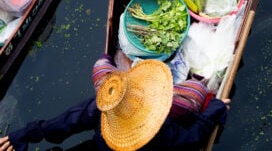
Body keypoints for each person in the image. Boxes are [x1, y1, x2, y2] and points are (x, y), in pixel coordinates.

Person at [0, 53, 230, 151]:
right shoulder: (162, 130)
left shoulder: (101, 109)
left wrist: (22, 136)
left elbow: (63, 123)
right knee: (197, 91)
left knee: (102, 63)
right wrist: (215, 110)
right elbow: (192, 138)